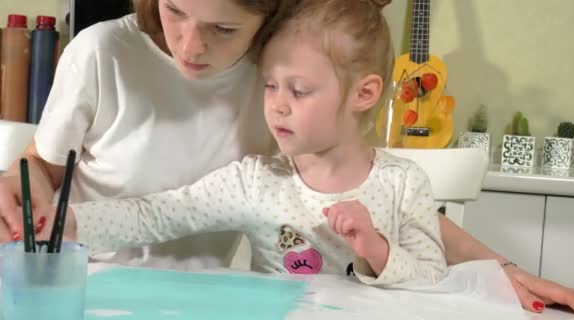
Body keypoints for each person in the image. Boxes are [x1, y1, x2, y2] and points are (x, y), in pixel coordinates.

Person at [0, 0, 574, 317]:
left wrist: (500, 269)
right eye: (174, 11)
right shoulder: (107, 52)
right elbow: (160, 210)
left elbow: (412, 233)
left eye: (222, 28)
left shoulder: (387, 169)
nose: (188, 45)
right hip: (100, 293)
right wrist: (63, 217)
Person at [38, 0, 447, 286]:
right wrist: (67, 223)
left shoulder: (404, 184)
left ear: (365, 94)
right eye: (269, 86)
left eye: (299, 91)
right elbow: (163, 212)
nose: (277, 107)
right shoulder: (256, 182)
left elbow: (432, 276)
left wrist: (376, 249)